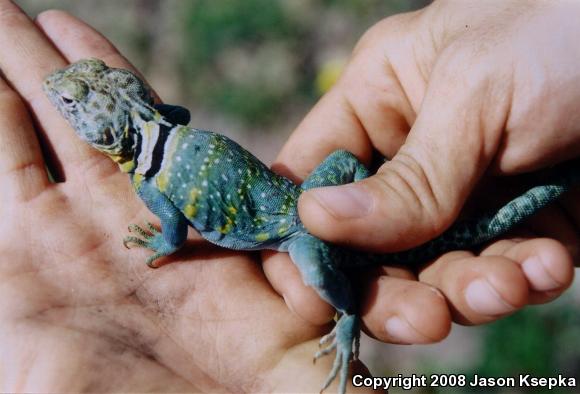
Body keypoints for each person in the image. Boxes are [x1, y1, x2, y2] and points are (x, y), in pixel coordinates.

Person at [0, 0, 576, 392]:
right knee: (347, 165)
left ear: (111, 131)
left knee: (320, 271)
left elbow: (174, 236)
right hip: (301, 193)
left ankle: (348, 311)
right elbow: (178, 112)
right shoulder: (173, 125)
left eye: (73, 101)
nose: (61, 99)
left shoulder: (153, 184)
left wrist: (160, 244)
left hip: (299, 229)